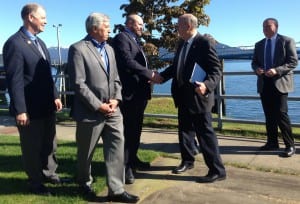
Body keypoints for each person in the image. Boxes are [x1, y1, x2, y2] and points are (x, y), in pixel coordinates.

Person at [68, 12, 139, 203]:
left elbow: (116, 78)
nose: (109, 30)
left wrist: (116, 99)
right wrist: (98, 106)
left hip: (113, 110)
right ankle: (84, 184)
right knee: (86, 153)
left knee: (116, 148)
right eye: (106, 26)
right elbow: (78, 83)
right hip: (90, 112)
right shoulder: (78, 49)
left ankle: (116, 189)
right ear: (94, 29)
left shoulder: (109, 49)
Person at [2, 3, 63, 195]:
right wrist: (20, 109)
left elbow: (45, 74)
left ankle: (50, 174)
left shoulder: (40, 43)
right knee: (32, 148)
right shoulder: (14, 43)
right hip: (29, 109)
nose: (46, 21)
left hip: (47, 106)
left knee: (49, 144)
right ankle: (35, 183)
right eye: (43, 17)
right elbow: (15, 80)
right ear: (30, 17)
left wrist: (55, 95)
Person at [159, 13, 226, 183]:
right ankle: (187, 161)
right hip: (182, 96)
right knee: (185, 132)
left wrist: (207, 85)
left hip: (198, 96)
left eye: (179, 25)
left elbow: (215, 70)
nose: (176, 28)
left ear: (188, 26)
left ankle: (217, 170)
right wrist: (160, 77)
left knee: (205, 134)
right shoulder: (182, 43)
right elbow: (177, 67)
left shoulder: (204, 42)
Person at [113, 14, 163, 184]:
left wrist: (147, 75)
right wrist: (149, 74)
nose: (142, 27)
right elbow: (127, 62)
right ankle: (125, 167)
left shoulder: (134, 39)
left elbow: (138, 64)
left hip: (139, 93)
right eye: (140, 24)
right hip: (130, 94)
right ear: (129, 23)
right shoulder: (121, 38)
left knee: (136, 130)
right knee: (128, 131)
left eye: (142, 24)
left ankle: (133, 159)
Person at [251, 18, 297, 157]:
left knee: (281, 114)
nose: (265, 29)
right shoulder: (259, 44)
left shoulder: (287, 41)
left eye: (268, 26)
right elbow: (254, 62)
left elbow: (293, 61)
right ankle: (272, 142)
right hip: (264, 83)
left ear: (276, 27)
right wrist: (257, 69)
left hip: (280, 82)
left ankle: (290, 145)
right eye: (263, 27)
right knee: (269, 115)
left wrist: (277, 70)